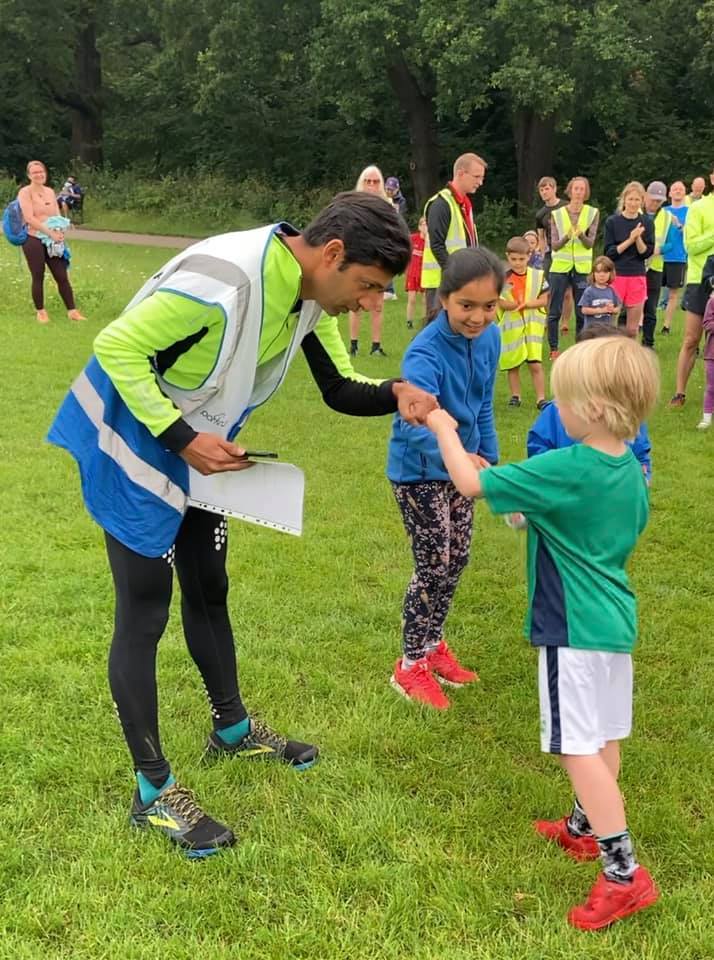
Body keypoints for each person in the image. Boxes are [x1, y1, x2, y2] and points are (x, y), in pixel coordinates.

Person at [47, 191, 438, 858]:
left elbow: (340, 387)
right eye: (369, 286)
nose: (372, 304)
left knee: (209, 584)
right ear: (335, 254)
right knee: (145, 609)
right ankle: (153, 793)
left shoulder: (309, 291)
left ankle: (231, 730)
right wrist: (179, 439)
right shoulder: (227, 280)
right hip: (134, 442)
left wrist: (395, 390)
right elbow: (114, 346)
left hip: (201, 449)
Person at [426, 335, 660, 930]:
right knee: (604, 734)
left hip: (571, 628)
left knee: (575, 746)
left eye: (564, 403)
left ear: (597, 409)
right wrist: (511, 486)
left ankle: (622, 872)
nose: (557, 412)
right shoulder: (628, 469)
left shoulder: (572, 463)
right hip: (612, 624)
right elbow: (548, 511)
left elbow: (472, 488)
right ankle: (585, 828)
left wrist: (442, 428)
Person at [387, 247, 503, 709]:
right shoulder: (425, 353)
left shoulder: (491, 340)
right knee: (434, 563)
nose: (477, 317)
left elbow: (484, 405)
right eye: (466, 306)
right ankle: (410, 662)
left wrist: (487, 459)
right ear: (445, 299)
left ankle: (433, 645)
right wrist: (458, 459)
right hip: (419, 473)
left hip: (463, 469)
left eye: (489, 306)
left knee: (457, 560)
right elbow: (412, 428)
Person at [527, 324, 652, 483]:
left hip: (612, 498)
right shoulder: (557, 410)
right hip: (563, 496)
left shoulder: (628, 410)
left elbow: (641, 457)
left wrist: (642, 478)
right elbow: (538, 453)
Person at [16, 160, 86, 325]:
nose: (39, 175)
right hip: (33, 238)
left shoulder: (49, 191)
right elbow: (29, 218)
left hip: (52, 240)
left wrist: (60, 231)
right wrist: (48, 232)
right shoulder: (25, 192)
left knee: (61, 275)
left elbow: (56, 214)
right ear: (29, 175)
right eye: (35, 173)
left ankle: (73, 311)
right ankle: (41, 312)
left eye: (41, 172)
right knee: (38, 275)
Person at [670, 166, 714, 407]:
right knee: (691, 339)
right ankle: (679, 393)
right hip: (700, 281)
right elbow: (691, 246)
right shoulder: (698, 207)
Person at [421, 153, 486, 315]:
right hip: (441, 282)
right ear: (460, 173)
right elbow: (437, 245)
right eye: (477, 176)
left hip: (458, 280)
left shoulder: (463, 205)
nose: (480, 182)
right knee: (438, 332)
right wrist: (456, 273)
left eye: (482, 177)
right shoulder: (441, 204)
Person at [545, 176, 599, 357]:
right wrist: (567, 236)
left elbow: (590, 243)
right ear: (570, 191)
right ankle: (554, 349)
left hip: (582, 268)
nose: (578, 192)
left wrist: (581, 235)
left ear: (586, 193)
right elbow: (554, 245)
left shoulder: (592, 212)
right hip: (560, 267)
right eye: (576, 189)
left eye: (582, 189)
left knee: (581, 310)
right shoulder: (557, 214)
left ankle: (579, 348)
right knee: (554, 310)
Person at [497, 236, 549, 408]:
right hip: (512, 328)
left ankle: (541, 398)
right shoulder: (503, 278)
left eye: (521, 259)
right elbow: (500, 302)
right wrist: (513, 305)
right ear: (507, 257)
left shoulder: (538, 276)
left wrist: (527, 304)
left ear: (529, 256)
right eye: (513, 259)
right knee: (513, 363)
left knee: (535, 363)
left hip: (532, 327)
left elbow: (543, 300)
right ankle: (515, 396)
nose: (518, 263)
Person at [604, 181, 654, 337]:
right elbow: (610, 253)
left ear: (642, 201)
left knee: (632, 329)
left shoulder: (647, 222)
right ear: (624, 200)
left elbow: (646, 253)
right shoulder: (612, 221)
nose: (633, 203)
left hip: (637, 275)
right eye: (630, 199)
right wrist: (630, 240)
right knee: (611, 324)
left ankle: (632, 358)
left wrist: (638, 239)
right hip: (616, 275)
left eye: (637, 200)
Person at [348, 165, 390, 356]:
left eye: (375, 181)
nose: (372, 185)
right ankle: (354, 345)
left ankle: (376, 345)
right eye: (368, 181)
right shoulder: (353, 204)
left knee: (378, 305)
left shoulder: (387, 206)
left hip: (379, 260)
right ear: (362, 183)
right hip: (359, 258)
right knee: (356, 303)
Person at [534, 176, 572, 333]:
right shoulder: (540, 214)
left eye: (547, 188)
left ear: (554, 189)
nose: (544, 192)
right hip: (551, 254)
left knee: (567, 292)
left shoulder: (566, 207)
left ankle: (565, 323)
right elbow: (541, 237)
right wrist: (542, 255)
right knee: (547, 290)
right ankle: (547, 321)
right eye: (541, 190)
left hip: (568, 251)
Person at [641, 181, 673, 349]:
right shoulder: (635, 211)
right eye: (653, 199)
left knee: (651, 308)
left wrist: (659, 249)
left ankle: (648, 342)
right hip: (635, 266)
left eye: (659, 201)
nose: (655, 203)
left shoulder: (668, 217)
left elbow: (672, 243)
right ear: (645, 196)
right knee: (629, 306)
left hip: (655, 267)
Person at [660, 181, 689, 335]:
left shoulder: (689, 211)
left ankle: (666, 326)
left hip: (678, 257)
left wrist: (678, 225)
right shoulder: (663, 211)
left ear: (684, 193)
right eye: (674, 189)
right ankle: (641, 322)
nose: (677, 191)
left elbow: (691, 233)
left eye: (681, 189)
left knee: (672, 293)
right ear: (669, 193)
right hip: (659, 257)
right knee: (649, 291)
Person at [578, 256, 622, 328]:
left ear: (610, 273)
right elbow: (584, 310)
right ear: (593, 273)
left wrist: (612, 310)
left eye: (605, 272)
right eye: (598, 272)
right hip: (592, 330)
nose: (602, 275)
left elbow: (618, 308)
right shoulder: (589, 291)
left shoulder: (612, 290)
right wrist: (601, 310)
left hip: (607, 329)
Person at [697, 281, 714, 430]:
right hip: (712, 354)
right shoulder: (712, 301)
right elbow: (707, 323)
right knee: (711, 387)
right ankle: (707, 418)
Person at [405, 216, 427, 329]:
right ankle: (409, 321)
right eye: (423, 224)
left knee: (425, 300)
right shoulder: (413, 239)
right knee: (412, 299)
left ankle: (425, 321)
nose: (425, 227)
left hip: (424, 274)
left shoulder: (429, 242)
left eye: (427, 224)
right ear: (419, 227)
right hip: (413, 274)